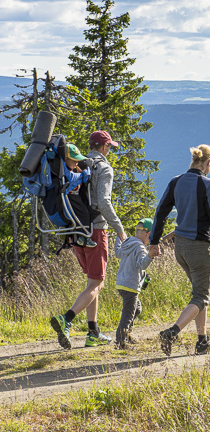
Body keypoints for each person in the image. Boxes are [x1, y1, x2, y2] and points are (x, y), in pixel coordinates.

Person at [149, 144, 210, 356]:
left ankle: (202, 341)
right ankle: (172, 332)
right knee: (201, 296)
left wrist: (154, 242)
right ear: (209, 163)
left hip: (180, 248)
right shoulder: (209, 185)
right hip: (199, 247)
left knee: (199, 295)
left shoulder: (175, 182)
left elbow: (160, 213)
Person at [50, 130, 127, 349]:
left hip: (75, 231)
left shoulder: (78, 164)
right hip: (95, 231)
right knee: (97, 282)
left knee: (93, 281)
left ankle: (93, 332)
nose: (109, 150)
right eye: (110, 147)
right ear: (104, 148)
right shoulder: (103, 168)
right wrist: (120, 230)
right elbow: (103, 202)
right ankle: (67, 318)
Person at [114, 218, 155, 349]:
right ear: (148, 234)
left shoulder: (127, 243)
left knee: (136, 309)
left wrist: (118, 237)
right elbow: (142, 264)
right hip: (130, 286)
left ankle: (128, 334)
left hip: (121, 283)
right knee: (128, 314)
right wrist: (151, 255)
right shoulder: (141, 247)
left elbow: (118, 253)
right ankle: (121, 341)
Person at [64, 143, 97, 248]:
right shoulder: (64, 170)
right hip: (70, 196)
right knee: (84, 214)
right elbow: (76, 178)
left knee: (84, 213)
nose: (76, 162)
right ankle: (83, 237)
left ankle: (80, 236)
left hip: (72, 196)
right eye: (74, 160)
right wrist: (86, 171)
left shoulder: (69, 168)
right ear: (65, 159)